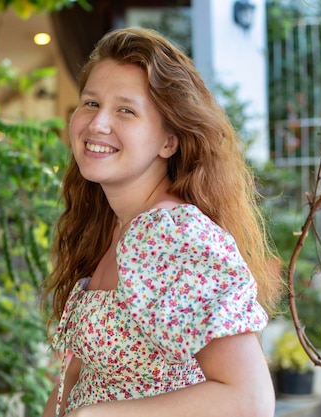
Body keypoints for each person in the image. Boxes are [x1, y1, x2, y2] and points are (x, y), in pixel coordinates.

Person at [40, 27, 283, 417]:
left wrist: (95, 415)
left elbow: (249, 400)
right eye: (90, 103)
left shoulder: (173, 235)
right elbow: (79, 373)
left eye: (125, 110)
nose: (97, 123)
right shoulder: (116, 225)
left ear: (168, 141)